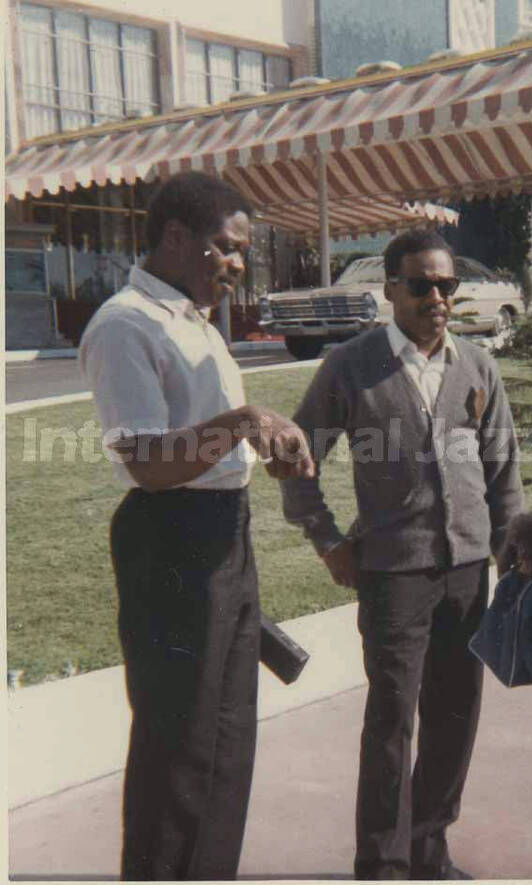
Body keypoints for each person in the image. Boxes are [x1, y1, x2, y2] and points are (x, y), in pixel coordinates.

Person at [79, 171, 315, 880]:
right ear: (176, 237)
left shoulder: (193, 319)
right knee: (178, 749)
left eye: (242, 250)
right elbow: (148, 461)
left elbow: (204, 448)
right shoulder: (127, 324)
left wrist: (261, 451)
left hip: (222, 533)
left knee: (225, 742)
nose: (239, 264)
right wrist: (245, 423)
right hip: (170, 540)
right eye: (227, 247)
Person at [280, 228, 523, 880]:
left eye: (447, 285)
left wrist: (514, 551)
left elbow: (503, 471)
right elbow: (296, 456)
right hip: (394, 574)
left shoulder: (476, 366)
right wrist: (327, 538)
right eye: (420, 284)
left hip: (468, 571)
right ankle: (383, 862)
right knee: (391, 720)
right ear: (389, 289)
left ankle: (428, 846)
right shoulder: (351, 366)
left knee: (454, 716)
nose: (437, 297)